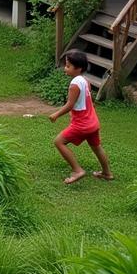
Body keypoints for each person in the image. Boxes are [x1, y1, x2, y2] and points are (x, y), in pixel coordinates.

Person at [49, 49, 113, 185]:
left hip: (82, 123)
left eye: (68, 66)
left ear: (78, 68)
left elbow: (70, 105)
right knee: (96, 147)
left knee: (58, 142)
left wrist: (56, 114)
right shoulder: (85, 80)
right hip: (92, 121)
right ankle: (107, 173)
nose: (65, 69)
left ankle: (77, 170)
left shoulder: (74, 84)